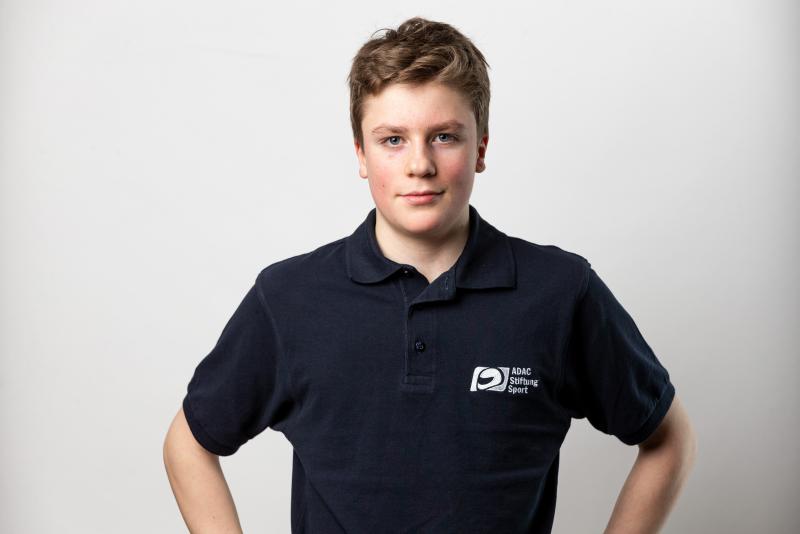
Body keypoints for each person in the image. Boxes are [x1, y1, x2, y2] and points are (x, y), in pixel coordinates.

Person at [163, 16, 697, 534]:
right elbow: (188, 444)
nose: (419, 164)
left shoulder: (559, 291)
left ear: (480, 147)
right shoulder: (289, 298)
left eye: (444, 136)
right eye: (392, 140)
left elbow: (669, 439)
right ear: (361, 155)